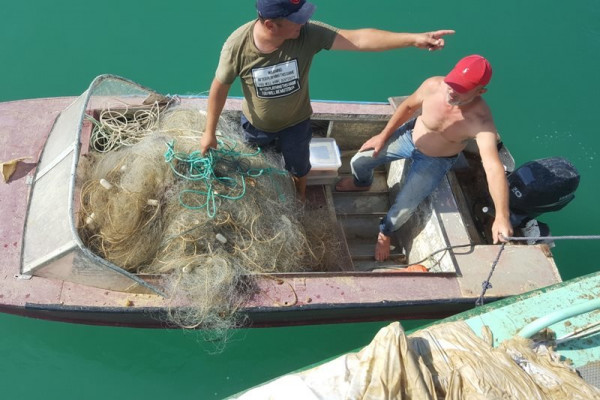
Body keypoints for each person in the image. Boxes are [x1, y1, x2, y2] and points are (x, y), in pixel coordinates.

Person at [199, 0, 454, 200]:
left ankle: (299, 194)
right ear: (270, 25)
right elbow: (219, 88)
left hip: (296, 123)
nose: (305, 21)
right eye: (297, 19)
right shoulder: (237, 47)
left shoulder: (307, 34)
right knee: (256, 164)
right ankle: (263, 190)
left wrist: (413, 39)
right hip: (256, 124)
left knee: (300, 168)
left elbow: (359, 39)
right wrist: (209, 133)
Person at [336, 55, 514, 261]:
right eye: (452, 83)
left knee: (404, 207)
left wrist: (502, 215)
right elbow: (408, 107)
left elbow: (493, 167)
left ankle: (385, 232)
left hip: (435, 160)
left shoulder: (481, 121)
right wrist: (382, 136)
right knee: (360, 160)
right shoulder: (433, 85)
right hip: (409, 137)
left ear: (480, 91)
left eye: (462, 89)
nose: (452, 91)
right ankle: (361, 183)